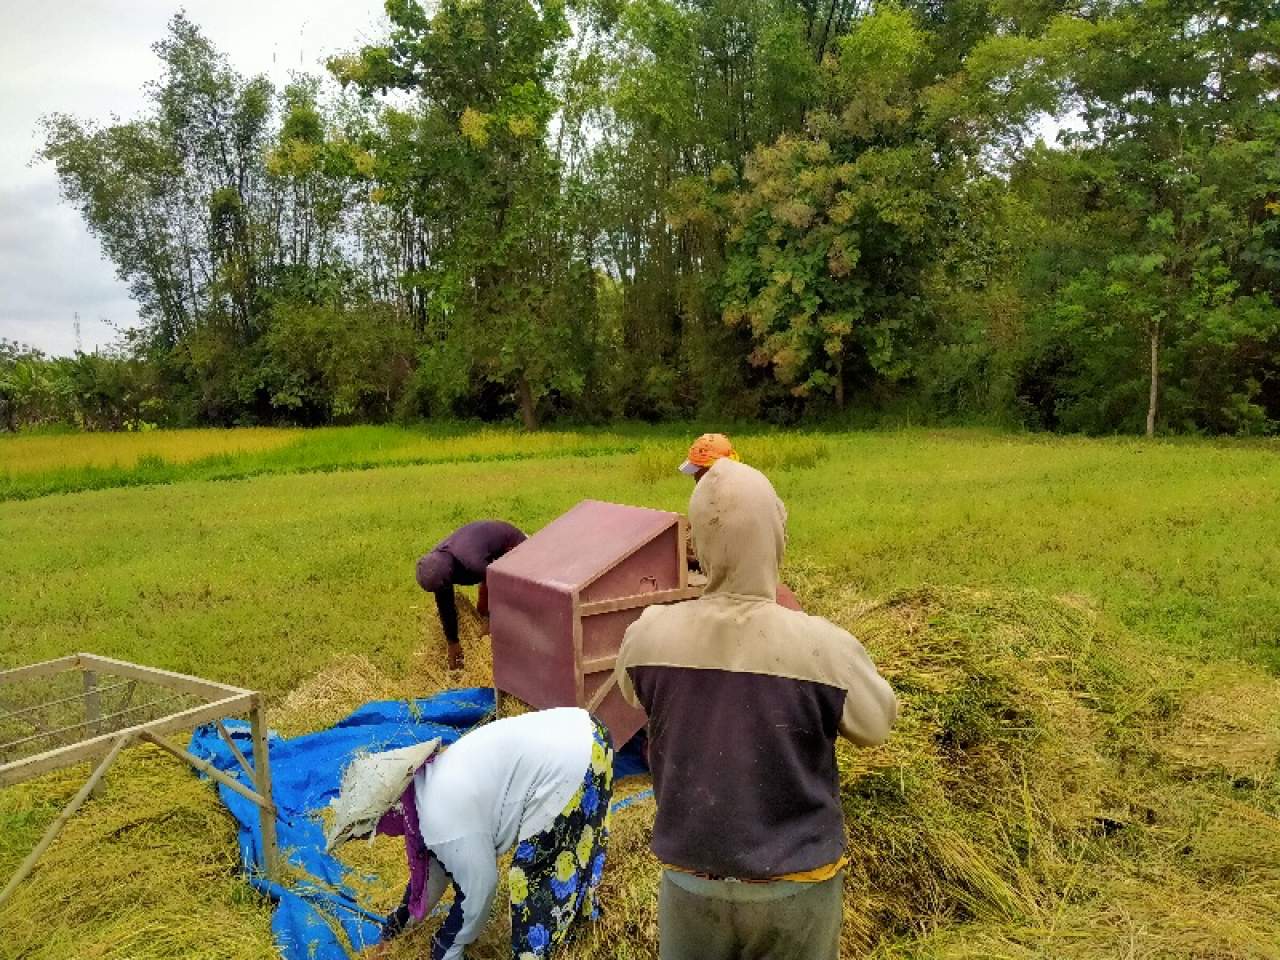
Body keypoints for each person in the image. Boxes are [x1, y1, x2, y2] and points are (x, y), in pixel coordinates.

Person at [613, 458, 898, 960]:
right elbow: (877, 725)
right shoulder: (823, 648)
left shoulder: (647, 635)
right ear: (775, 538)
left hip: (689, 881)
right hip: (794, 887)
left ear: (696, 544)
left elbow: (631, 694)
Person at [327, 707, 615, 960]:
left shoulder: (439, 817)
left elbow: (480, 887)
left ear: (386, 814)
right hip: (582, 730)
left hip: (570, 762)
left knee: (534, 877)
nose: (372, 838)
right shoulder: (425, 791)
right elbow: (434, 872)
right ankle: (579, 923)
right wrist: (394, 931)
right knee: (569, 852)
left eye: (367, 834)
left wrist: (446, 947)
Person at [678, 433, 802, 611]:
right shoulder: (752, 485)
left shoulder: (739, 498)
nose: (696, 478)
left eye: (699, 472)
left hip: (745, 587)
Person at [416, 520, 527, 670]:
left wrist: (492, 620)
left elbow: (501, 584)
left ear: (450, 575)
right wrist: (452, 642)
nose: (442, 590)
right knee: (482, 609)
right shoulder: (437, 563)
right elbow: (445, 604)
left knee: (521, 604)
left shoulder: (471, 562)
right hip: (485, 557)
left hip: (514, 546)